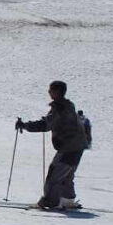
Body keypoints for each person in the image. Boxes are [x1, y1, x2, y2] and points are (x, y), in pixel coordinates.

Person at [16, 80, 87, 210]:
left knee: (55, 174)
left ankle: (51, 202)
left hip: (68, 147)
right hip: (77, 147)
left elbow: (46, 124)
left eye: (51, 90)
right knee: (67, 175)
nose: (49, 92)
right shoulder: (67, 105)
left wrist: (25, 125)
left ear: (57, 92)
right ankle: (68, 200)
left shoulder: (60, 108)